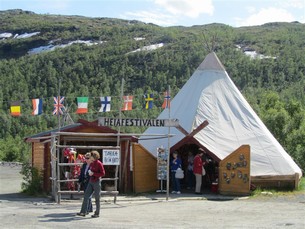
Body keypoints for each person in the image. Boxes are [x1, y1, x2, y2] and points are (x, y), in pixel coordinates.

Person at [77, 150, 105, 218]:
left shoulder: (99, 163)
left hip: (96, 182)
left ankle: (97, 213)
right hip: (91, 181)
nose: (90, 160)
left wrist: (94, 174)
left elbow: (103, 173)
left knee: (97, 198)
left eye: (92, 158)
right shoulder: (91, 163)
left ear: (95, 157)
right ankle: (83, 212)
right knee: (86, 196)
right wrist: (90, 173)